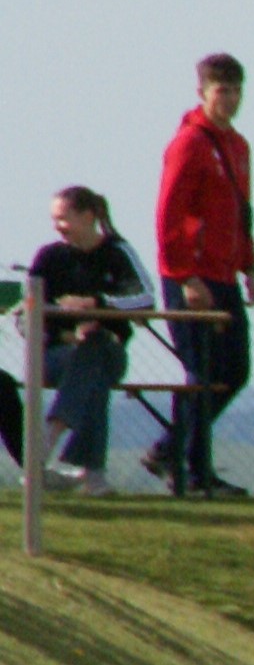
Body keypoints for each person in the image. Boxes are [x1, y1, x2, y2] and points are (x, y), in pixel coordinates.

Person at [153, 52, 254, 499]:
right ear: (202, 92)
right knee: (202, 371)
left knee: (234, 370)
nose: (229, 99)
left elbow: (241, 212)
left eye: (236, 90)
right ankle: (193, 470)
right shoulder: (189, 143)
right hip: (193, 275)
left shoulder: (237, 145)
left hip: (224, 273)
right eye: (221, 90)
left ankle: (170, 450)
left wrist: (249, 265)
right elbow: (169, 214)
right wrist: (184, 276)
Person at [24, 187, 152, 497]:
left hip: (109, 351)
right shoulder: (48, 258)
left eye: (63, 218)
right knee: (93, 370)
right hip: (56, 356)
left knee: (95, 349)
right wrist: (66, 335)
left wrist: (96, 304)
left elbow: (145, 298)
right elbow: (26, 314)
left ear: (88, 216)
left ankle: (47, 443)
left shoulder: (117, 252)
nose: (58, 227)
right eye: (55, 220)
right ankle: (93, 477)